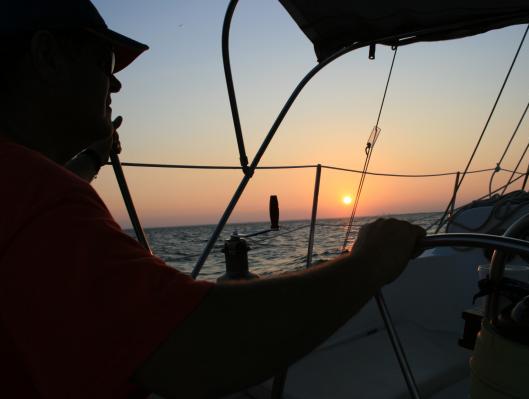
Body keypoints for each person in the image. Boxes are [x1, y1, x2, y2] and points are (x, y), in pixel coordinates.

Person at [0, 1, 426, 398]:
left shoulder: (22, 190)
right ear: (48, 56)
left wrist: (93, 158)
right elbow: (195, 348)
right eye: (105, 62)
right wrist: (368, 262)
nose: (116, 82)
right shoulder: (35, 195)